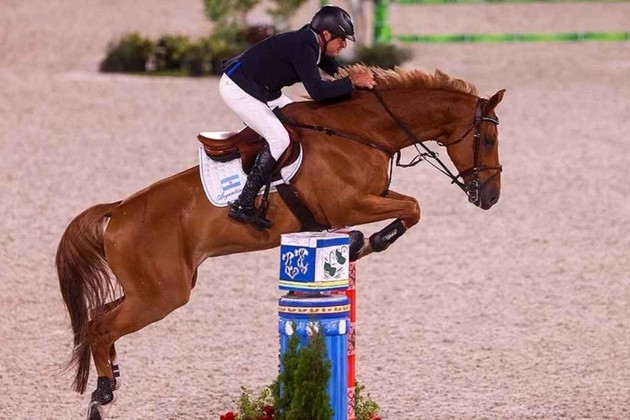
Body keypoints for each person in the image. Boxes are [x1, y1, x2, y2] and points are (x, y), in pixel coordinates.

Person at [219, 4, 376, 230]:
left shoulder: (314, 43)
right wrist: (352, 81)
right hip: (239, 89)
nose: (344, 45)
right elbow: (318, 91)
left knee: (304, 123)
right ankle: (243, 203)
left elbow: (337, 71)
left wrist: (362, 79)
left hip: (265, 91)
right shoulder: (304, 47)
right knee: (279, 138)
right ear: (326, 34)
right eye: (341, 39)